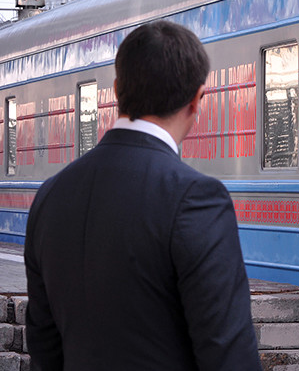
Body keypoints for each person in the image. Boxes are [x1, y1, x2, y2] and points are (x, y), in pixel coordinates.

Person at [25, 21, 262, 371]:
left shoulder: (51, 196)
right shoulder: (196, 198)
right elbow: (228, 353)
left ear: (118, 90)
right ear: (198, 100)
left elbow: (44, 349)